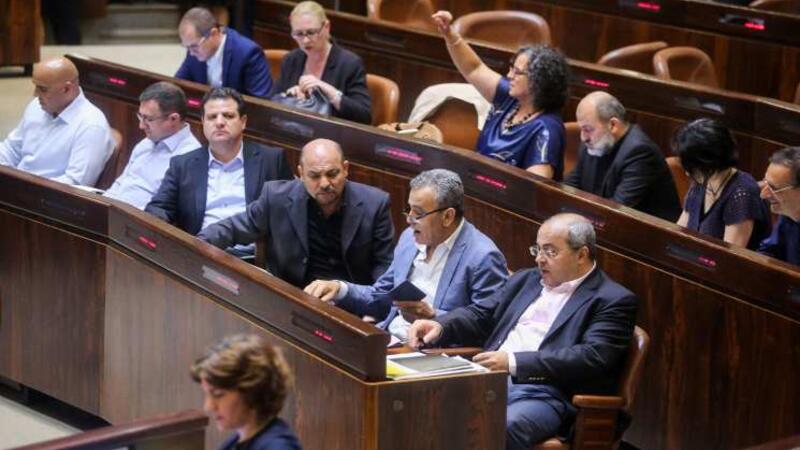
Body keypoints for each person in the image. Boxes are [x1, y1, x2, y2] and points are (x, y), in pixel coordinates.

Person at [407, 213, 637, 450]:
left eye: (550, 251)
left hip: (548, 394)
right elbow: (482, 313)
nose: (539, 259)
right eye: (537, 249)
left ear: (581, 254)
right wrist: (441, 325)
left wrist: (514, 362)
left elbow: (592, 357)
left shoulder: (612, 300)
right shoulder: (526, 280)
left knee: (498, 426)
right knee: (416, 400)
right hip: (489, 378)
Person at [304, 169, 508, 340]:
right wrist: (339, 288)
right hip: (390, 338)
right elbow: (380, 296)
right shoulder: (409, 239)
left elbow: (485, 324)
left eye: (418, 213)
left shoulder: (483, 256)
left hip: (436, 352)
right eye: (408, 209)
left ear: (447, 216)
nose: (409, 219)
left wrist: (434, 317)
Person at [198, 138, 394, 287]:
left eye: (332, 174)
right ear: (301, 174)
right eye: (314, 176)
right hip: (292, 298)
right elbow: (233, 228)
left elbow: (384, 265)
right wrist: (195, 246)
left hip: (351, 304)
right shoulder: (276, 198)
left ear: (345, 169)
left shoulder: (375, 204)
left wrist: (376, 307)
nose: (324, 183)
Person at [145, 87, 292, 257]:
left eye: (228, 116)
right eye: (212, 117)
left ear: (243, 121)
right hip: (200, 255)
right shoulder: (182, 164)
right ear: (203, 122)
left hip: (253, 259)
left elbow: (290, 211)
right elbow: (159, 207)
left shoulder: (271, 160)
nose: (220, 122)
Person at [431, 11, 568, 180]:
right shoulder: (509, 97)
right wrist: (449, 34)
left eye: (517, 72)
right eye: (511, 69)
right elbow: (474, 68)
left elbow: (535, 185)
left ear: (537, 81)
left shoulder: (547, 129)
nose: (509, 76)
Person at [565, 91, 681, 221]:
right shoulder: (593, 144)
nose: (583, 137)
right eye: (581, 129)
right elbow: (570, 187)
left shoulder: (640, 152)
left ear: (613, 125)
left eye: (588, 129)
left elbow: (618, 209)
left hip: (643, 230)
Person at [0, 56, 115, 186]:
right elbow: (11, 149)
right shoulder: (36, 106)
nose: (35, 94)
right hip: (17, 187)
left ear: (67, 89)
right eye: (36, 87)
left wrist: (23, 187)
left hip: (45, 195)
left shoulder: (91, 126)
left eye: (43, 89)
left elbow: (75, 184)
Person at [191, 334, 302, 450]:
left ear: (252, 391)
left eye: (218, 394)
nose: (208, 407)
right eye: (207, 394)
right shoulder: (237, 440)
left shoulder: (278, 447)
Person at [673, 118, 770, 249]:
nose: (687, 172)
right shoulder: (702, 181)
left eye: (692, 165)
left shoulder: (742, 193)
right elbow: (679, 232)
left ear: (706, 162)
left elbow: (730, 255)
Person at [270, 1, 371, 124]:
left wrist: (331, 93)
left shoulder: (349, 64)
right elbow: (271, 101)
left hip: (331, 132)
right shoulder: (291, 59)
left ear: (327, 27)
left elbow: (364, 115)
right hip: (295, 129)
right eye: (299, 34)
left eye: (311, 33)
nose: (305, 40)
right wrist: (289, 95)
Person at [104, 82, 201, 209]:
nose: (141, 126)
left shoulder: (191, 158)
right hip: (112, 212)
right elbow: (120, 184)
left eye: (148, 119)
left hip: (135, 219)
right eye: (140, 117)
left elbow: (167, 213)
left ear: (173, 119)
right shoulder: (145, 143)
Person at [176, 7, 272, 98]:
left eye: (194, 46)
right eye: (187, 47)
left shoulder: (248, 53)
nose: (191, 53)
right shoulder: (193, 52)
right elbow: (178, 85)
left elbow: (260, 101)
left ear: (214, 33)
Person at [759, 147, 800, 265]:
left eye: (773, 188)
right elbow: (770, 250)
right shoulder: (789, 213)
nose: (763, 195)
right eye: (765, 183)